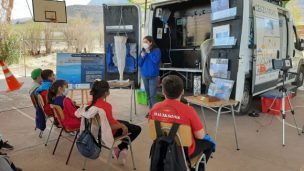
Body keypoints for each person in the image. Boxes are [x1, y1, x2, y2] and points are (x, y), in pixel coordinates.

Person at [149, 75, 214, 164]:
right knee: (210, 144)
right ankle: (194, 167)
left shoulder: (154, 108)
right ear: (182, 92)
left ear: (163, 92)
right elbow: (200, 136)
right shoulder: (189, 110)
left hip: (160, 148)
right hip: (184, 152)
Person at [85, 79, 141, 165]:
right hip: (108, 132)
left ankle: (123, 147)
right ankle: (119, 148)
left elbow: (108, 121)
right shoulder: (106, 106)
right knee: (137, 128)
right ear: (105, 92)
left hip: (96, 131)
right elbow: (110, 126)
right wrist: (122, 126)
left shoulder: (89, 103)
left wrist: (122, 124)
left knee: (127, 123)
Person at [138, 36, 161, 109]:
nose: (144, 43)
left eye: (146, 42)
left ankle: (154, 112)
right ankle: (150, 110)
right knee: (148, 95)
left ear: (151, 42)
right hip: (145, 75)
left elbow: (155, 60)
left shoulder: (157, 50)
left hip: (153, 76)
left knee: (152, 95)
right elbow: (139, 63)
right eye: (143, 42)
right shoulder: (142, 51)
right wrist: (142, 57)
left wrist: (149, 52)